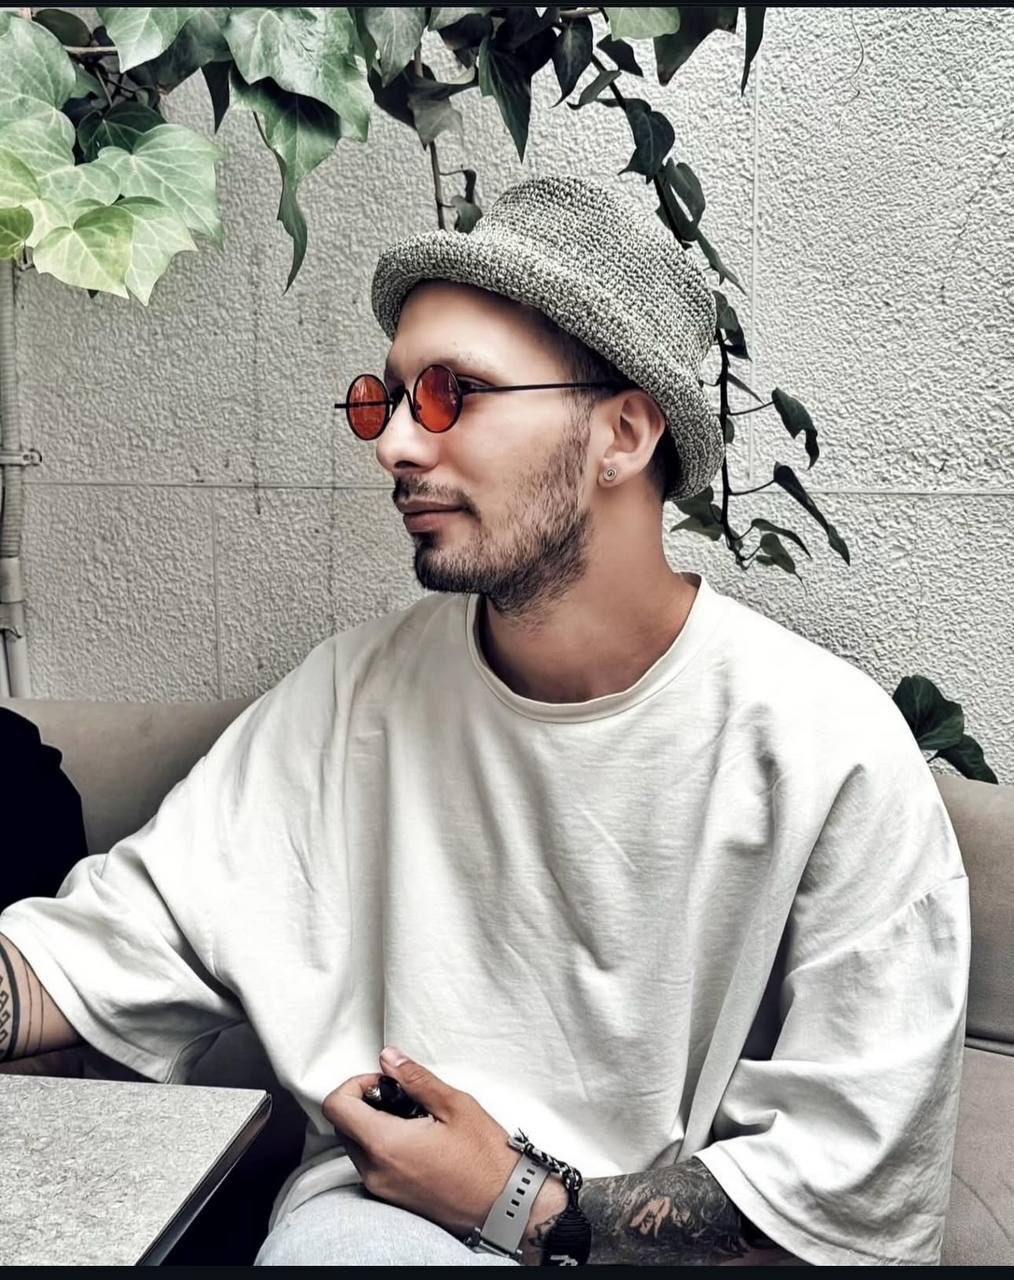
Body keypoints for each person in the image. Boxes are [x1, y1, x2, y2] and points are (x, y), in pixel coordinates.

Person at [0, 175, 969, 1267]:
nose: (395, 446)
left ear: (623, 433)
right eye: (387, 400)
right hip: (381, 1227)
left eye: (453, 393)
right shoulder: (353, 697)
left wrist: (513, 1199)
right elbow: (96, 955)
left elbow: (848, 1202)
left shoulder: (829, 749)